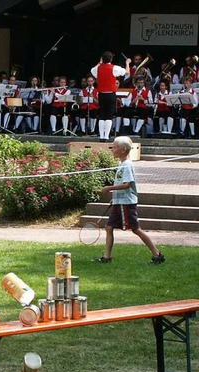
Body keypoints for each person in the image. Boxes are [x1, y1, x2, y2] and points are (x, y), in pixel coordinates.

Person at [97, 136, 165, 265]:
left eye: (115, 147)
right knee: (109, 227)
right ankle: (106, 257)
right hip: (120, 202)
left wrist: (109, 188)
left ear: (123, 150)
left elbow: (127, 184)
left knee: (135, 229)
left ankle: (157, 254)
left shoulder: (127, 165)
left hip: (126, 203)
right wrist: (115, 198)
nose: (112, 149)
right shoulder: (122, 164)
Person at [91, 51, 130, 142]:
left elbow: (92, 71)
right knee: (109, 115)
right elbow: (127, 72)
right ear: (111, 59)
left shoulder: (97, 68)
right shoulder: (114, 68)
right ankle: (106, 136)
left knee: (102, 115)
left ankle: (101, 136)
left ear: (102, 59)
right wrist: (127, 63)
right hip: (110, 94)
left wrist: (100, 62)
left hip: (101, 94)